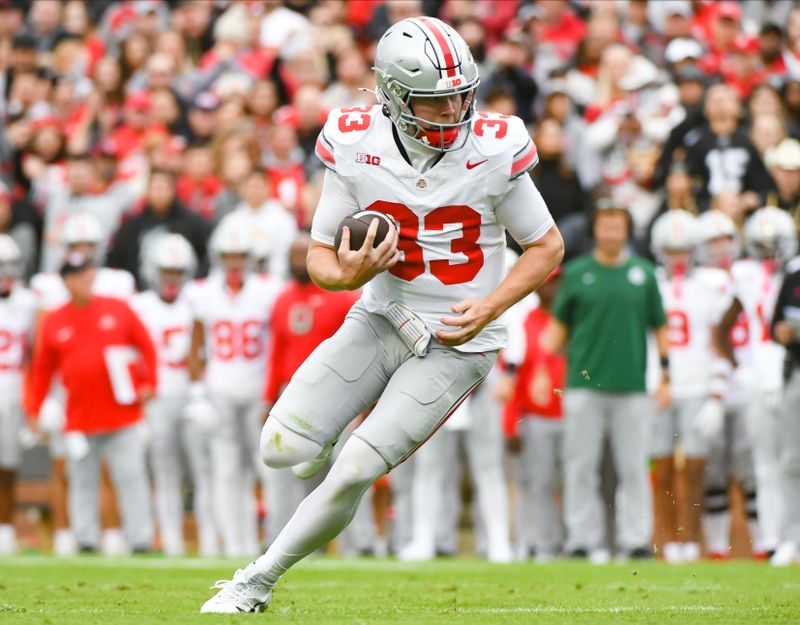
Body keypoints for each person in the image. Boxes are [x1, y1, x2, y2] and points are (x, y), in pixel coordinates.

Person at [200, 16, 562, 613]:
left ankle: (255, 582)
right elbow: (321, 257)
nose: (454, 114)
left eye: (460, 97)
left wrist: (492, 306)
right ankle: (317, 442)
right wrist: (350, 275)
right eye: (436, 102)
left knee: (355, 466)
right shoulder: (354, 141)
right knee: (281, 450)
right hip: (382, 315)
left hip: (458, 337)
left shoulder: (494, 147)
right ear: (394, 97)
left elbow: (546, 246)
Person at [541, 200, 670, 563]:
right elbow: (555, 331)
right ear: (596, 229)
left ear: (627, 230)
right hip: (583, 386)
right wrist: (539, 369)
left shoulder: (644, 274)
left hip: (632, 386)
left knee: (634, 467)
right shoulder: (577, 272)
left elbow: (661, 326)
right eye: (606, 225)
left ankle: (636, 540)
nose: (612, 232)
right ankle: (581, 540)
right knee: (580, 466)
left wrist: (666, 375)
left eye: (618, 225)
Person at [25, 252, 157, 553]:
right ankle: (85, 538)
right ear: (67, 281)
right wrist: (35, 409)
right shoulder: (55, 319)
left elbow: (146, 346)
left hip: (122, 413)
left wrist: (151, 383)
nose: (86, 278)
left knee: (131, 476)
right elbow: (42, 369)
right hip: (79, 416)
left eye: (88, 272)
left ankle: (141, 538)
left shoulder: (118, 308)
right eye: (78, 274)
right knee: (81, 479)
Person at [185, 218, 283, 558]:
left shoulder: (268, 290)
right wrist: (197, 393)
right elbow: (195, 347)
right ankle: (234, 542)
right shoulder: (203, 293)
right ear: (218, 256)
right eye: (229, 255)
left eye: (240, 255)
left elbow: (280, 341)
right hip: (221, 390)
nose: (234, 262)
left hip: (258, 390)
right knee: (227, 471)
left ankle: (271, 540)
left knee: (266, 467)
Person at [262, 233, 359, 545]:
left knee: (347, 468)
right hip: (293, 392)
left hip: (337, 389)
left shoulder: (344, 296)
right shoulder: (282, 298)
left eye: (301, 254)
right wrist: (268, 397)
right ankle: (285, 536)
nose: (295, 261)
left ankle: (357, 541)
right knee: (289, 467)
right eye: (291, 255)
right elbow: (276, 350)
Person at [715, 207, 799, 557]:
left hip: (791, 368)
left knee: (791, 459)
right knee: (764, 461)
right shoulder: (743, 273)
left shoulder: (795, 273)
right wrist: (739, 367)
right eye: (761, 246)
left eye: (774, 244)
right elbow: (722, 328)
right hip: (757, 372)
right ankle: (770, 540)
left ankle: (791, 536)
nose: (768, 253)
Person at [648, 210, 731, 563]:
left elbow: (720, 342)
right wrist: (654, 381)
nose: (677, 257)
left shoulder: (711, 285)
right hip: (661, 387)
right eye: (671, 250)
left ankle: (692, 540)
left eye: (683, 250)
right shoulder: (650, 281)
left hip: (697, 384)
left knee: (695, 468)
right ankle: (667, 541)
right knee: (662, 467)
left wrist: (716, 391)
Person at [131, 233, 218, 557]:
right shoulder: (140, 306)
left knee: (202, 471)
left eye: (178, 271)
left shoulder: (199, 300)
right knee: (165, 473)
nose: (171, 277)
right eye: (166, 270)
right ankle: (171, 541)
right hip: (157, 398)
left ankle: (210, 540)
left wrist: (204, 393)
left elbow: (209, 351)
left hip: (194, 397)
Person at [695, 210, 759, 559]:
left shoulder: (750, 273)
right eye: (712, 243)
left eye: (724, 241)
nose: (720, 249)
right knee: (714, 471)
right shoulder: (700, 281)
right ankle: (717, 548)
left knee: (752, 470)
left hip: (752, 383)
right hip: (712, 386)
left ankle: (765, 545)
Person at [503, 266, 565, 561]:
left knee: (572, 484)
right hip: (537, 417)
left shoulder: (573, 321)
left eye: (557, 284)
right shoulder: (525, 321)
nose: (553, 290)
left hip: (571, 416)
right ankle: (541, 544)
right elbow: (516, 378)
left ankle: (569, 542)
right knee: (539, 484)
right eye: (549, 284)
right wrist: (511, 424)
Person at [0, 235, 36, 554]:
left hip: (14, 390)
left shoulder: (28, 302)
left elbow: (37, 352)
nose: (4, 273)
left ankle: (6, 529)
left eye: (8, 266)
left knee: (8, 466)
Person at [770, 255, 800, 566]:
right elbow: (774, 324)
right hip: (798, 374)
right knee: (792, 461)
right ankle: (794, 540)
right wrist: (783, 332)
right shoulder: (794, 276)